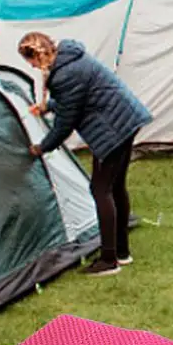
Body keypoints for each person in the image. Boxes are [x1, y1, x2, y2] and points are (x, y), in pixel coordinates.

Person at [18, 32, 152, 277]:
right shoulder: (70, 59)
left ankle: (109, 260)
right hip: (127, 119)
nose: (33, 67)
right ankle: (121, 252)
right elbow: (78, 100)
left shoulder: (65, 74)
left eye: (32, 63)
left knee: (100, 189)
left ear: (38, 55)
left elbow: (66, 122)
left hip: (113, 128)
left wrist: (41, 148)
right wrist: (48, 106)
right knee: (115, 186)